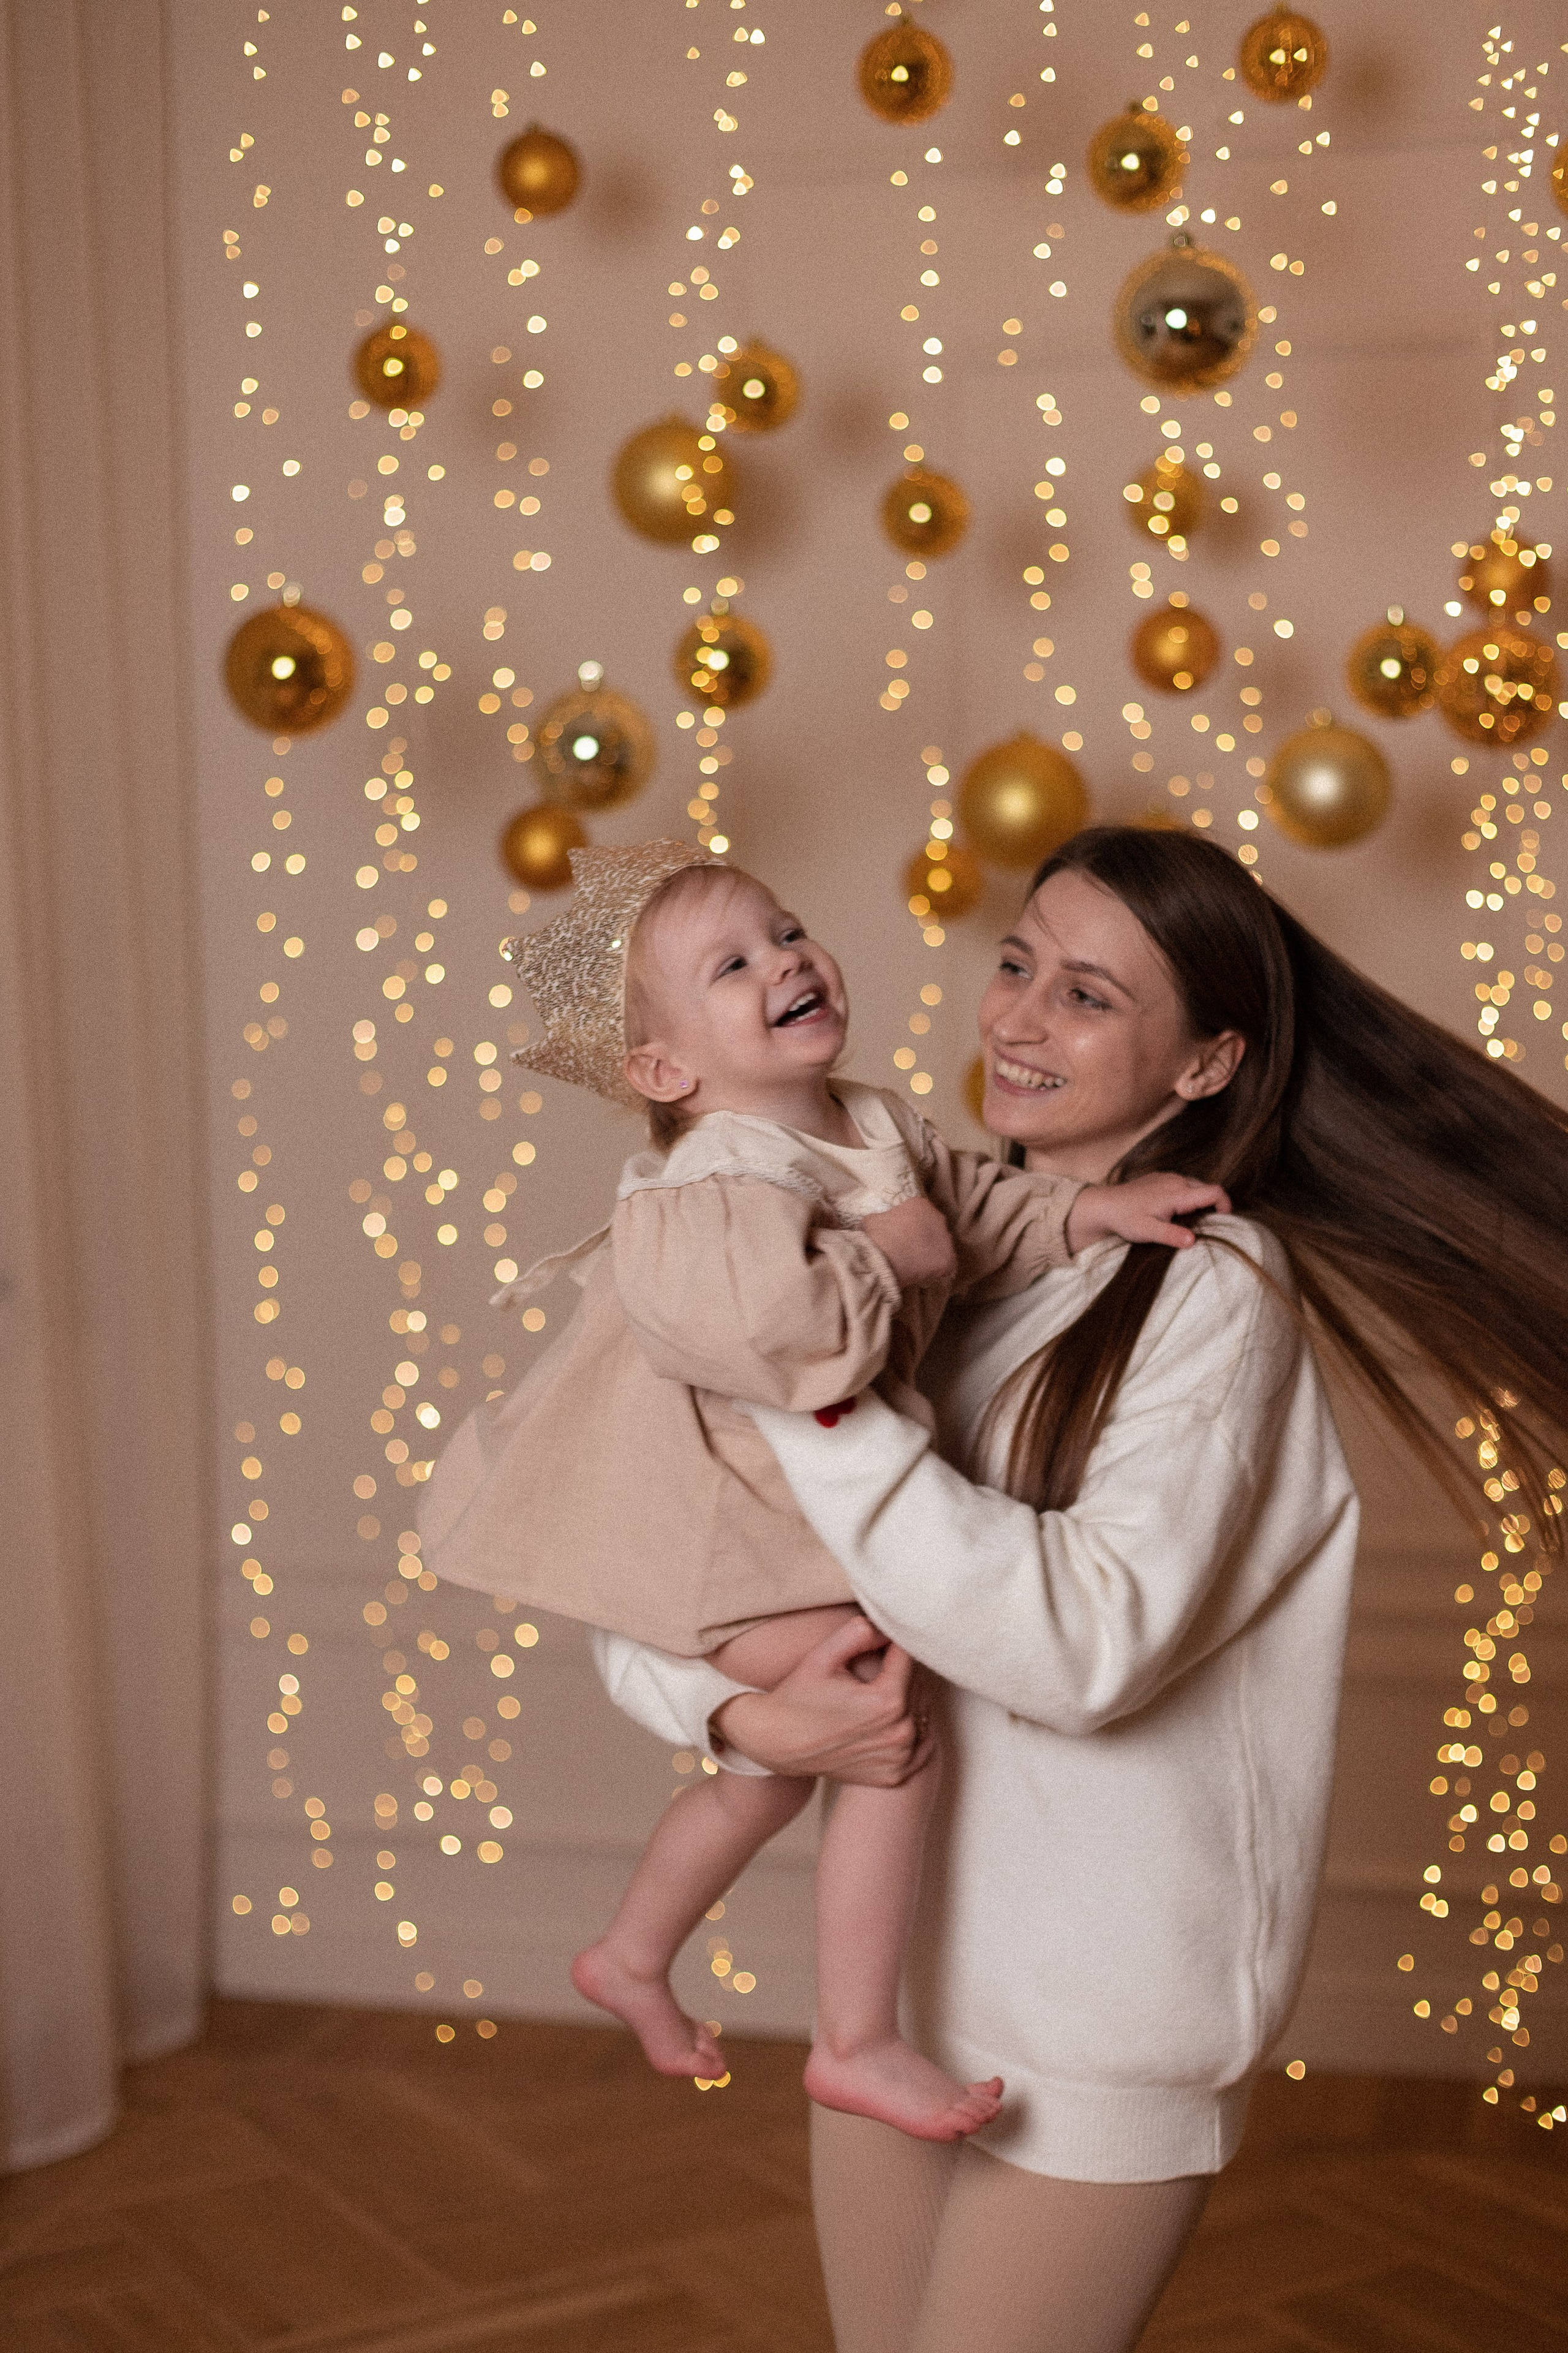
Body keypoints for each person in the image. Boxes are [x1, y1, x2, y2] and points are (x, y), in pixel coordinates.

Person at [595, 825, 1568, 2353]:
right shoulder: (909, 1257)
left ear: (1202, 1066)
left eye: (1090, 996)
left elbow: (1079, 1646)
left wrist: (814, 1397)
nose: (1019, 1020)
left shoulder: (1209, 1288)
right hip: (896, 2008)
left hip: (1102, 2025)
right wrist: (729, 1712)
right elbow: (671, 1553)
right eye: (1014, 963)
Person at [421, 839, 1221, 2143]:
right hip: (725, 1531)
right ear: (664, 1070)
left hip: (793, 1534)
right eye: (731, 965)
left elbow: (967, 1203)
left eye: (784, 930)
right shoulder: (709, 1188)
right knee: (886, 1739)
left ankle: (632, 1952)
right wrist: (881, 1254)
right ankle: (851, 2037)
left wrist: (1082, 1217)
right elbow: (778, 1343)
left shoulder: (868, 1120)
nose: (784, 960)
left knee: (786, 1766)